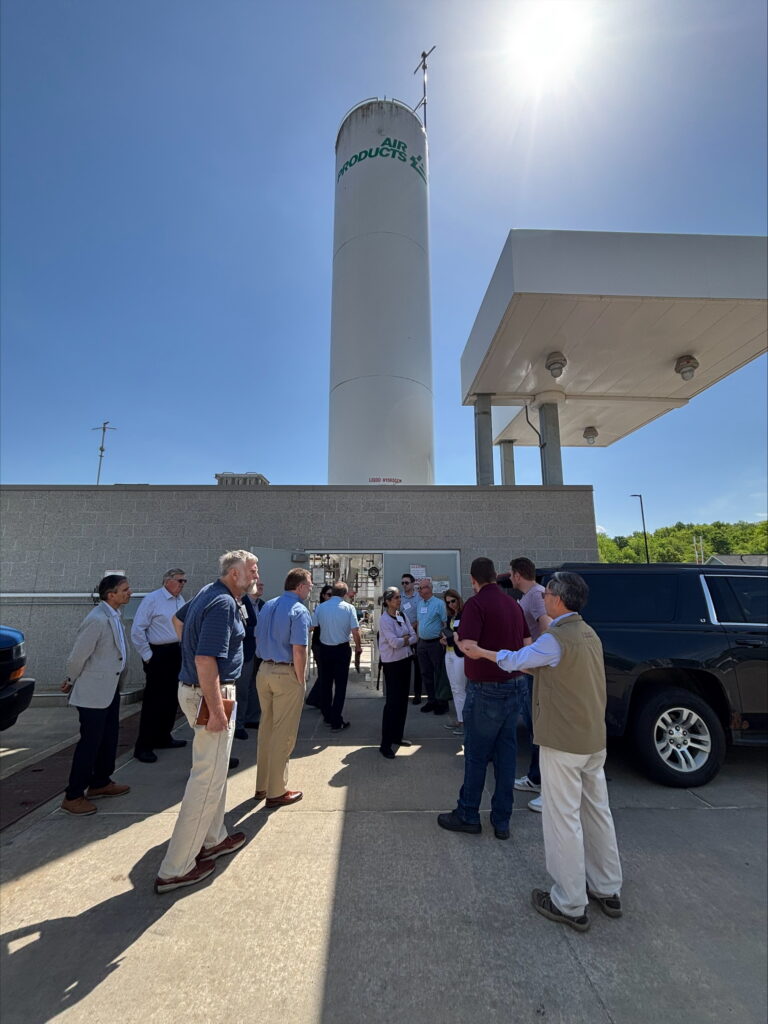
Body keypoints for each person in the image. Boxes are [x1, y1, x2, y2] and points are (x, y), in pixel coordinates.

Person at [461, 571, 623, 932]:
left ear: (558, 599)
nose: (544, 597)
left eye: (548, 593)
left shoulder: (557, 637)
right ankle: (607, 887)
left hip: (564, 740)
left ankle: (569, 902)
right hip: (593, 739)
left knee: (562, 817)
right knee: (598, 812)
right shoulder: (588, 633)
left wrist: (480, 651)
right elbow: (552, 670)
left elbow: (518, 659)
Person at [154, 550, 258, 894]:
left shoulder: (206, 593)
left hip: (199, 691)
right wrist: (216, 711)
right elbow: (204, 658)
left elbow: (179, 623)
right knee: (206, 780)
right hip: (211, 696)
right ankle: (176, 867)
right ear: (233, 573)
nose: (256, 575)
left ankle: (215, 838)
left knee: (214, 772)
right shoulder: (224, 604)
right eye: (251, 570)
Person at [437, 557, 529, 841]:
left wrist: (455, 639)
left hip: (486, 688)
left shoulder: (477, 605)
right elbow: (527, 646)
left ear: (473, 580)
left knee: (476, 754)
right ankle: (502, 820)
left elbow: (467, 647)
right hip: (516, 685)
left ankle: (468, 814)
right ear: (494, 576)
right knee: (506, 755)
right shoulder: (514, 605)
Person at [59, 575, 133, 816]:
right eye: (124, 589)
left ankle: (100, 782)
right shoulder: (97, 620)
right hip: (93, 692)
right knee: (90, 743)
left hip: (109, 690)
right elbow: (78, 656)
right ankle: (73, 795)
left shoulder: (114, 616)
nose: (129, 593)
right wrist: (70, 680)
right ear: (110, 595)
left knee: (108, 738)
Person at [254, 567, 313, 806]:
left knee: (266, 729)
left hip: (264, 670)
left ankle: (262, 786)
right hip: (286, 673)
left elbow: (257, 636)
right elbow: (299, 649)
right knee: (284, 733)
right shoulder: (299, 610)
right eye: (309, 585)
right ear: (299, 587)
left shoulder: (268, 605)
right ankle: (276, 791)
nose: (310, 589)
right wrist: (301, 678)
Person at [130, 568, 189, 763]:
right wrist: (148, 656)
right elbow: (138, 629)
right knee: (153, 702)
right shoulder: (153, 599)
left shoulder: (180, 600)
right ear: (168, 581)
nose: (182, 585)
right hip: (159, 653)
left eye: (184, 582)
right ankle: (144, 746)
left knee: (172, 699)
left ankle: (164, 736)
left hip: (176, 652)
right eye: (180, 581)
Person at [510, 557, 552, 812]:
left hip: (534, 671)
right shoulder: (528, 597)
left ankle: (541, 781)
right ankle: (536, 777)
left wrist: (539, 658)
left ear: (517, 575)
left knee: (539, 726)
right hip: (527, 668)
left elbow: (547, 627)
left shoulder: (536, 595)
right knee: (533, 725)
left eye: (512, 574)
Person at [313, 580, 361, 731]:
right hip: (341, 649)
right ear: (345, 594)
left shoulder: (320, 608)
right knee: (340, 685)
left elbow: (313, 626)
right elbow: (355, 630)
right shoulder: (349, 608)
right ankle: (336, 719)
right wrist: (359, 647)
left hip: (325, 649)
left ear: (332, 592)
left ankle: (327, 715)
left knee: (325, 684)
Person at [377, 586, 417, 759]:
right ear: (387, 601)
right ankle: (385, 744)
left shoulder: (402, 615)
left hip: (405, 660)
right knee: (392, 703)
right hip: (392, 664)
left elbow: (414, 635)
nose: (399, 600)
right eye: (396, 598)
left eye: (400, 597)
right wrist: (405, 639)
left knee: (402, 701)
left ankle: (397, 736)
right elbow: (393, 643)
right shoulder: (384, 620)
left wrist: (406, 640)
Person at [234, 578, 262, 739]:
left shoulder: (263, 604)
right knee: (242, 690)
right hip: (246, 652)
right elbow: (241, 628)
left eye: (262, 585)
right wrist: (259, 630)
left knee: (255, 687)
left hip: (260, 653)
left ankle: (252, 718)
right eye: (258, 585)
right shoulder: (241, 604)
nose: (261, 587)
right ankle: (238, 724)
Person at [415, 578, 448, 715]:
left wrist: (443, 638)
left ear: (429, 588)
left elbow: (445, 623)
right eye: (419, 588)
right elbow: (419, 622)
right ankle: (431, 700)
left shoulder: (439, 604)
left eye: (421, 588)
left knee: (438, 673)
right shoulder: (419, 604)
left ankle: (442, 702)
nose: (419, 590)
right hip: (422, 643)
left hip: (435, 643)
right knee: (425, 673)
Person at [440, 589, 466, 737]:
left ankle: (464, 721)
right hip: (449, 653)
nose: (451, 604)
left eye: (453, 601)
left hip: (459, 655)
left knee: (461, 688)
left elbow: (463, 634)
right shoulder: (452, 615)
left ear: (458, 599)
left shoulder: (464, 614)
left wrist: (447, 639)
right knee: (454, 688)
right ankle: (459, 719)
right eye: (448, 602)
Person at [305, 584, 333, 709]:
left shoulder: (331, 609)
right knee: (324, 673)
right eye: (329, 595)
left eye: (333, 595)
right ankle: (315, 698)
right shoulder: (320, 609)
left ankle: (316, 698)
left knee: (325, 673)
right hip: (319, 645)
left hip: (326, 645)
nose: (331, 597)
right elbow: (311, 627)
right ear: (323, 596)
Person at [399, 573, 423, 704]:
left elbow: (421, 616)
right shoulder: (399, 597)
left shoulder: (419, 597)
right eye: (402, 583)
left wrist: (412, 628)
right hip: (403, 637)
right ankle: (403, 693)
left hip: (416, 636)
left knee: (418, 667)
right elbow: (397, 615)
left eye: (406, 583)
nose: (404, 585)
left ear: (413, 584)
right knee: (403, 666)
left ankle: (418, 694)